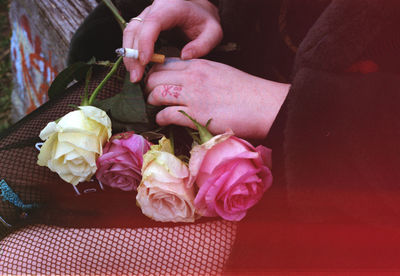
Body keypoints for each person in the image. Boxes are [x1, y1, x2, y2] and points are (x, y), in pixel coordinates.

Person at [1, 0, 400, 273]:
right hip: (222, 79)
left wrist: (280, 105)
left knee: (17, 262)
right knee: (13, 183)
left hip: (353, 193)